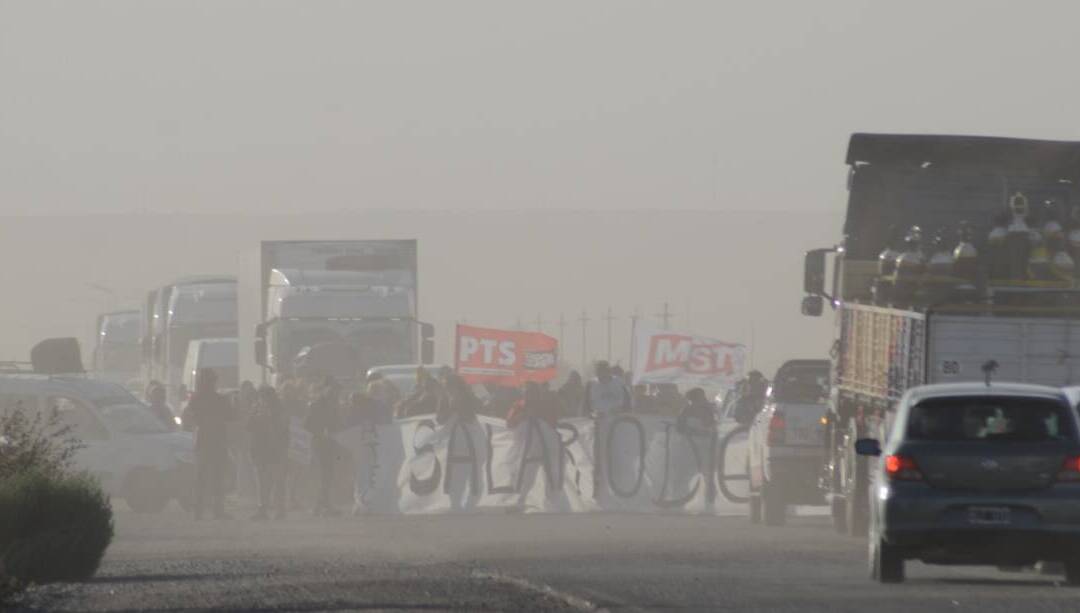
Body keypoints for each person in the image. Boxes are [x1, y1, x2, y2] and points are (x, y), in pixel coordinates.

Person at [181, 368, 236, 520]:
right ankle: (216, 510)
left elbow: (189, 417)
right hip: (216, 440)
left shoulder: (196, 399)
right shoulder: (219, 399)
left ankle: (200, 510)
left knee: (202, 477)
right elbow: (231, 416)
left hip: (205, 441)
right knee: (215, 477)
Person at [248, 385, 289, 520]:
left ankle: (279, 509)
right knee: (262, 481)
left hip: (275, 449)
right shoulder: (256, 409)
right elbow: (249, 426)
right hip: (261, 449)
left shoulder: (279, 410)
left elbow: (282, 429)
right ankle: (263, 509)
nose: (262, 400)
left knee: (277, 480)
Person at [305, 376, 342, 517]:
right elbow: (307, 425)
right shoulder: (317, 404)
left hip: (331, 443)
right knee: (323, 476)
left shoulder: (334, 404)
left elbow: (338, 423)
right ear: (326, 388)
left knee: (328, 476)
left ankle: (323, 505)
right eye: (333, 389)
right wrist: (320, 431)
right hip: (320, 444)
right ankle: (319, 506)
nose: (335, 392)